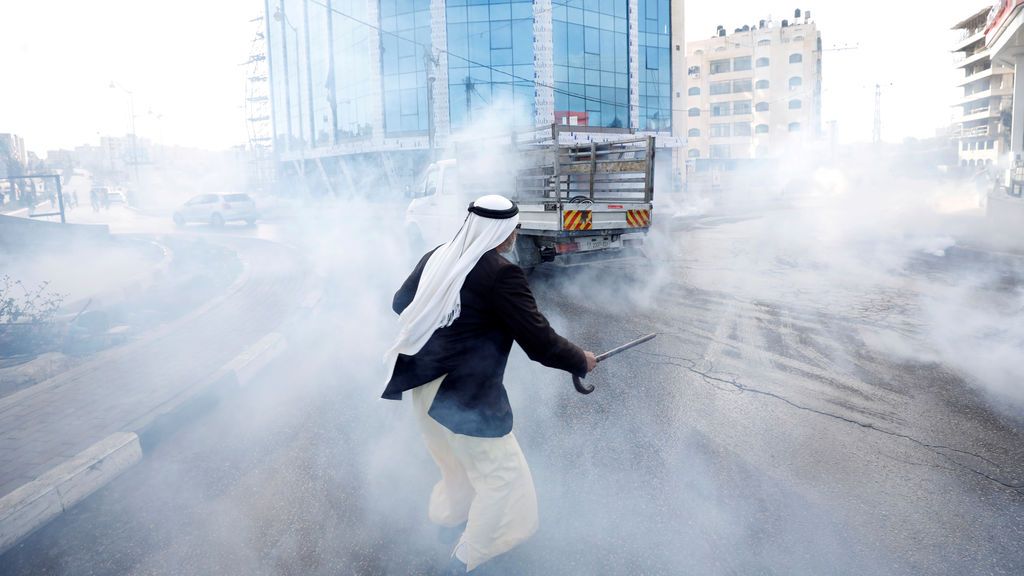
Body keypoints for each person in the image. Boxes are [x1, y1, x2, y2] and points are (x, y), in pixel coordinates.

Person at [383, 194, 597, 574]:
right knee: (503, 481)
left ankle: (447, 526)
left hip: (425, 387)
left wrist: (447, 326)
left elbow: (401, 303)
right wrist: (581, 360)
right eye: (514, 228)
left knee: (457, 468)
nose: (515, 235)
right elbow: (540, 341)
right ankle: (467, 559)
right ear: (504, 231)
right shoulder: (501, 273)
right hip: (462, 397)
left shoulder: (438, 255)